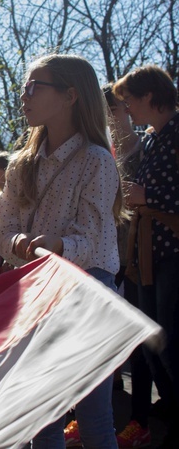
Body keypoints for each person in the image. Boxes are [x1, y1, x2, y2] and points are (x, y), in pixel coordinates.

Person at [0, 54, 123, 448]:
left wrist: (58, 246)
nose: (24, 96)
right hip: (36, 294)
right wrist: (17, 244)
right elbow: (5, 234)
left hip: (88, 294)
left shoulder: (97, 161)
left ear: (70, 95)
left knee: (94, 417)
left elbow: (92, 240)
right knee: (41, 417)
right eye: (23, 87)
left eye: (35, 87)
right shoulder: (20, 164)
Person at [113, 65, 179, 448]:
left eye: (129, 100)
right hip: (148, 256)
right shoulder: (154, 138)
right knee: (153, 343)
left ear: (151, 97)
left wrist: (148, 198)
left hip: (172, 254)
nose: (126, 108)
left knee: (170, 340)